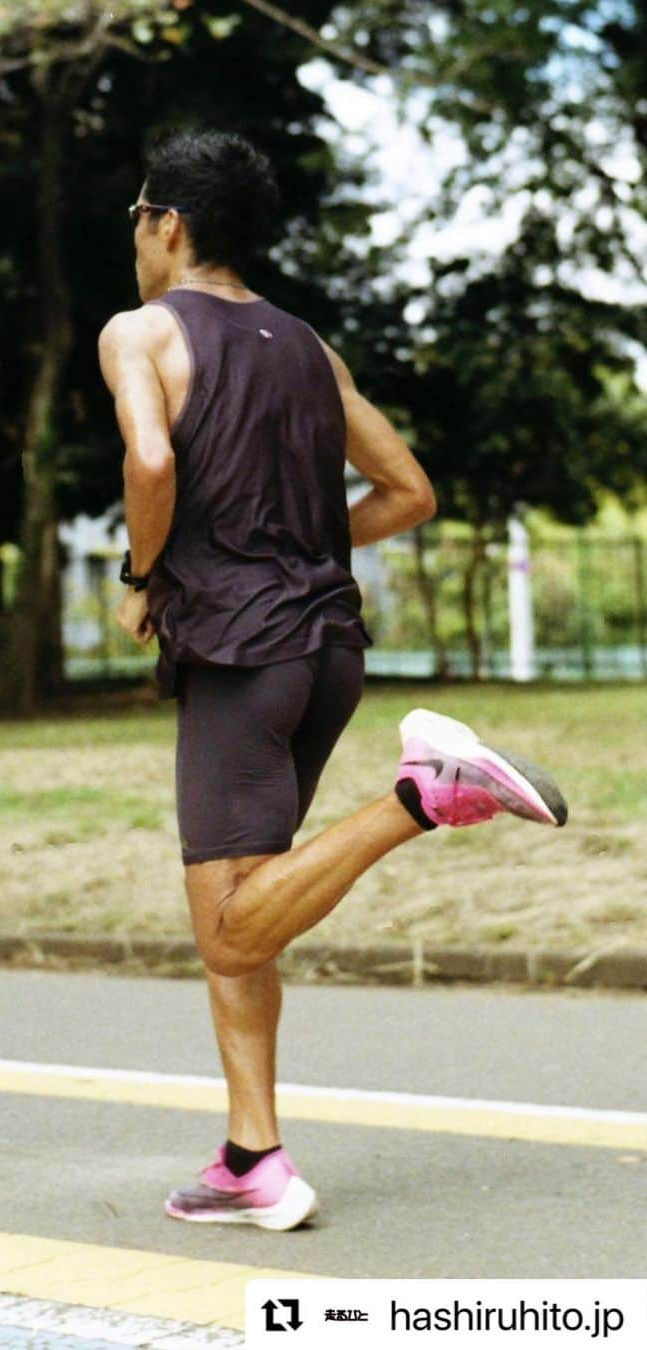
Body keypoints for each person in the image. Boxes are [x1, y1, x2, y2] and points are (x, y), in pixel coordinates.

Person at [97, 129, 568, 1232]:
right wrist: (306, 544)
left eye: (137, 218)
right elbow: (408, 490)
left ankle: (426, 794)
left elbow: (152, 461)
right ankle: (251, 1157)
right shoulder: (308, 346)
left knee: (226, 929)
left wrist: (142, 573)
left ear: (168, 223)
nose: (135, 239)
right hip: (325, 654)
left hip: (241, 656)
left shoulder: (142, 332)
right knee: (246, 907)